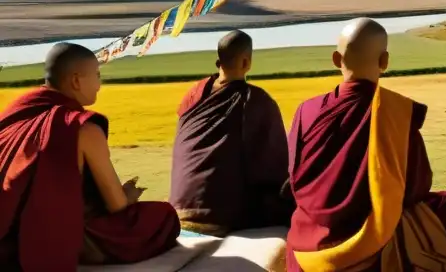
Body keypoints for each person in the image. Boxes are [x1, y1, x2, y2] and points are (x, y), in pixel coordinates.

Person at [285, 18, 446, 272]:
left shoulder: (307, 110)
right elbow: (417, 186)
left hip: (307, 251)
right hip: (369, 251)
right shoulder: (395, 113)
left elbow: (294, 179)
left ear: (336, 59)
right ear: (384, 62)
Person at [0, 43, 180, 270]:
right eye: (96, 75)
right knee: (163, 216)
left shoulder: (16, 110)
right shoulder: (81, 128)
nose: (99, 84)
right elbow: (118, 206)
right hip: (56, 236)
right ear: (76, 80)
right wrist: (129, 193)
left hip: (8, 233)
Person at [170, 30, 292, 235]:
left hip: (178, 205)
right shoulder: (256, 99)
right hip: (218, 214)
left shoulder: (195, 92)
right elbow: (274, 163)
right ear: (246, 63)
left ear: (218, 62)